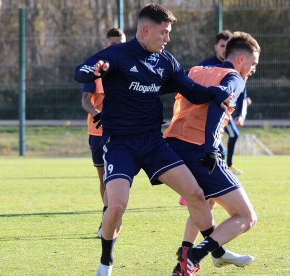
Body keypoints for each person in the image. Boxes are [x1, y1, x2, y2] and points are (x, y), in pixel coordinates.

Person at [75, 4, 234, 276]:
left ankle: (216, 252)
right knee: (116, 205)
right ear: (145, 31)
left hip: (153, 143)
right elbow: (80, 72)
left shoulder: (165, 61)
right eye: (164, 32)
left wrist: (218, 92)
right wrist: (97, 69)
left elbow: (193, 92)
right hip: (120, 144)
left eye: (169, 32)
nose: (167, 38)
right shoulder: (117, 55)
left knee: (196, 193)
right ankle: (106, 262)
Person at [163, 31, 260, 275]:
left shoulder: (196, 70)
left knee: (206, 199)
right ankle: (194, 257)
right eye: (253, 63)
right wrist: (210, 149)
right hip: (198, 149)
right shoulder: (235, 78)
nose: (253, 69)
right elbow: (219, 104)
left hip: (171, 146)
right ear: (240, 60)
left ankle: (187, 251)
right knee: (247, 218)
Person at [81, 28, 126, 239]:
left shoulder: (130, 67)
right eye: (112, 43)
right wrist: (98, 114)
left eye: (120, 43)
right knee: (103, 179)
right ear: (106, 44)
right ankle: (109, 217)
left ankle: (109, 221)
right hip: (98, 132)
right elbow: (85, 101)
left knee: (114, 179)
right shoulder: (95, 69)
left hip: (120, 133)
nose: (116, 47)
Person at [199, 30, 252, 175]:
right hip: (207, 113)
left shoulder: (236, 71)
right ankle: (221, 169)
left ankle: (227, 165)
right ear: (216, 46)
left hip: (225, 112)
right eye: (221, 45)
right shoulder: (206, 65)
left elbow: (242, 93)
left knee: (233, 136)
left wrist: (241, 114)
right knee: (216, 149)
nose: (223, 49)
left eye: (226, 46)